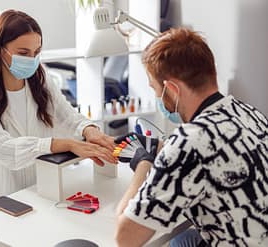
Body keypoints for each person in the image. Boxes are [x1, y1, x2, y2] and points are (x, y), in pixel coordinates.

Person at [115, 28, 268, 247]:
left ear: (172, 89)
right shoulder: (248, 112)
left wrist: (143, 163)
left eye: (155, 88)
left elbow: (125, 237)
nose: (157, 96)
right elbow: (218, 150)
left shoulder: (188, 143)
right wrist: (160, 146)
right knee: (183, 238)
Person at [0, 9, 116, 214]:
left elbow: (67, 115)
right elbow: (5, 150)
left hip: (38, 189)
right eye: (23, 53)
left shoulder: (41, 82)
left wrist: (89, 129)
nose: (32, 60)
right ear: (0, 50)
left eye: (36, 53)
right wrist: (67, 144)